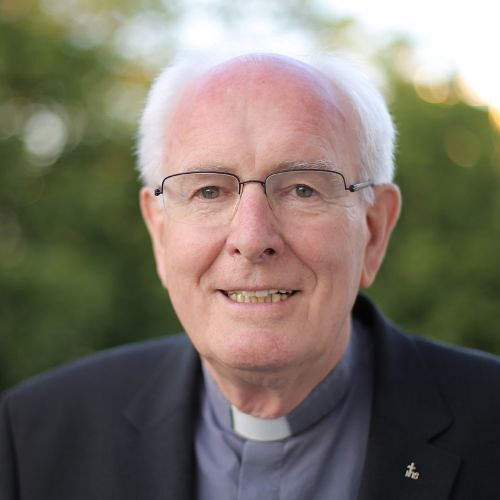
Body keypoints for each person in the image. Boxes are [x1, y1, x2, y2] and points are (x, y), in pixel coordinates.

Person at [1, 51, 499, 500]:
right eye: (209, 191)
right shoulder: (31, 438)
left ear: (374, 230)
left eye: (302, 189)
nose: (253, 237)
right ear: (159, 232)